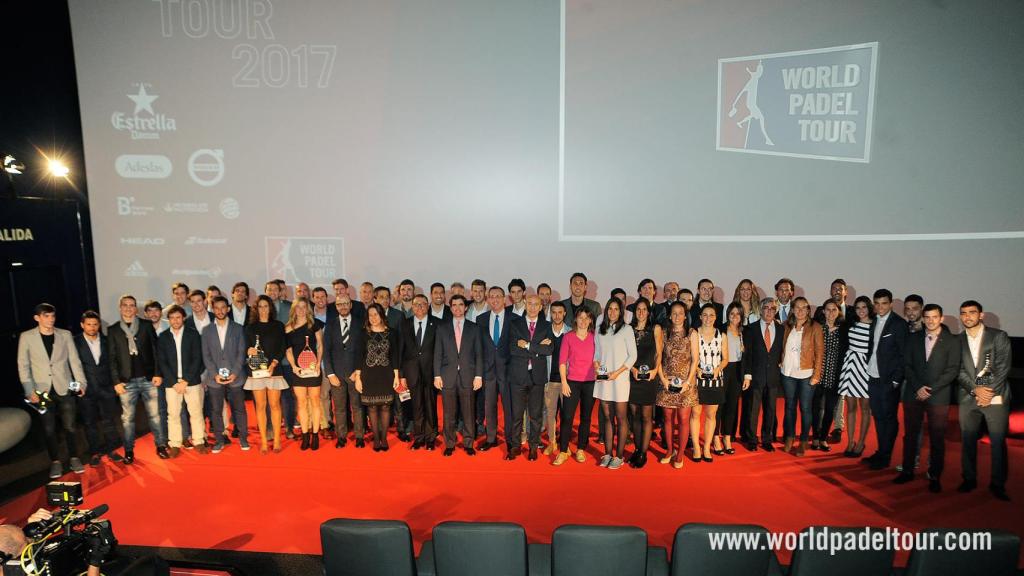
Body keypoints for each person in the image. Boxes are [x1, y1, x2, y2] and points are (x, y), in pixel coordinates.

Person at [17, 303, 89, 477]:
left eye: (52, 316)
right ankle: (55, 461)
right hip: (40, 391)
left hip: (66, 387)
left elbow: (74, 361)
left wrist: (81, 383)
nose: (50, 319)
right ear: (37, 318)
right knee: (49, 429)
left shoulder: (64, 334)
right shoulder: (26, 337)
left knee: (71, 426)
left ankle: (74, 458)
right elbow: (23, 365)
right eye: (46, 316)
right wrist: (29, 390)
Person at [894, 303, 959, 492]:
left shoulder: (952, 341)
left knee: (937, 437)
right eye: (927, 317)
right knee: (911, 435)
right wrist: (917, 387)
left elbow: (953, 369)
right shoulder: (913, 339)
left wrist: (930, 389)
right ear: (923, 318)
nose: (930, 321)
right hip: (913, 394)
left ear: (941, 318)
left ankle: (935, 475)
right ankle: (907, 471)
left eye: (934, 317)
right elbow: (907, 365)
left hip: (938, 396)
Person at [956, 300, 1012, 501]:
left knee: (997, 442)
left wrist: (988, 392)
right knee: (967, 441)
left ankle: (998, 484)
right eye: (963, 313)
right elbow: (959, 370)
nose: (967, 317)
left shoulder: (998, 336)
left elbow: (1003, 366)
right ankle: (969, 479)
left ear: (981, 315)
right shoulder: (958, 340)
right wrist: (975, 390)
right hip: (968, 397)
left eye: (972, 312)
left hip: (995, 397)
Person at [107, 295, 166, 464]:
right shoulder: (113, 330)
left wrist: (158, 373)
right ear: (120, 308)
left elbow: (156, 352)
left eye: (131, 305)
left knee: (155, 416)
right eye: (124, 305)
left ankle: (160, 446)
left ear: (136, 309)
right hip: (126, 382)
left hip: (148, 379)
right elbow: (111, 359)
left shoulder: (146, 325)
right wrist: (116, 381)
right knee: (128, 419)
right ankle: (129, 450)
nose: (128, 308)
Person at [863, 289, 908, 471]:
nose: (880, 307)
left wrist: (896, 381)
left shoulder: (899, 324)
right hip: (873, 376)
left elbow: (903, 355)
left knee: (889, 418)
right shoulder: (875, 321)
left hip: (889, 380)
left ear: (890, 304)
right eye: (877, 303)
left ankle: (886, 455)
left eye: (884, 303)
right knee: (879, 417)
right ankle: (881, 451)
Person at [433, 295, 484, 456]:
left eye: (460, 305)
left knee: (469, 412)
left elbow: (479, 354)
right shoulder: (442, 328)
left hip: (468, 376)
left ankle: (468, 443)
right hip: (447, 376)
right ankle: (449, 443)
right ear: (450, 307)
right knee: (448, 413)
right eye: (454, 305)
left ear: (466, 307)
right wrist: (436, 375)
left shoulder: (474, 328)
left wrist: (478, 376)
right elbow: (437, 354)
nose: (457, 308)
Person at [507, 295, 554, 461]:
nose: (533, 307)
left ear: (541, 307)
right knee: (517, 415)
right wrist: (537, 348)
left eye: (536, 304)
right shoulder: (514, 324)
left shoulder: (547, 326)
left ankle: (533, 446)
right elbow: (512, 348)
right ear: (525, 305)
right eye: (530, 304)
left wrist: (527, 345)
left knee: (535, 415)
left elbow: (549, 350)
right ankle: (515, 446)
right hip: (518, 376)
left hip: (537, 377)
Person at [155, 305, 205, 457]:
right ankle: (175, 444)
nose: (175, 320)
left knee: (196, 412)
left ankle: (199, 441)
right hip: (172, 383)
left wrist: (185, 381)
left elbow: (197, 359)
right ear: (168, 319)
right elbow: (161, 362)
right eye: (172, 318)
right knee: (173, 414)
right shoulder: (163, 337)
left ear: (183, 318)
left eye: (178, 317)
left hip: (191, 381)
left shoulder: (193, 334)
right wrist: (175, 382)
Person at [74, 311, 123, 465]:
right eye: (89, 324)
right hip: (85, 391)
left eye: (95, 324)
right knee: (90, 423)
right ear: (82, 325)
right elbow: (69, 367)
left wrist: (116, 383)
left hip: (107, 388)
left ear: (99, 325)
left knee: (109, 421)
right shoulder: (74, 342)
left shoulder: (107, 341)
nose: (92, 327)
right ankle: (95, 452)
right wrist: (75, 388)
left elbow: (114, 363)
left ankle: (111, 450)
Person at [202, 296, 250, 453]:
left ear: (228, 309)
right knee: (216, 410)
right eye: (217, 308)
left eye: (223, 307)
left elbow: (241, 352)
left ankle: (243, 438)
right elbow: (206, 355)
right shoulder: (207, 330)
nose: (220, 311)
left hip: (235, 378)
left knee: (239, 409)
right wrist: (214, 374)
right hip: (215, 378)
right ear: (213, 309)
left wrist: (235, 373)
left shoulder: (238, 328)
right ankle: (219, 440)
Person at [593, 298, 636, 470]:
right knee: (607, 418)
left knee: (621, 417)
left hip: (619, 380)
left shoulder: (626, 329)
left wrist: (616, 373)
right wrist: (596, 365)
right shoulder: (599, 329)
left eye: (616, 309)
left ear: (621, 311)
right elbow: (596, 353)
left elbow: (632, 356)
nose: (612, 312)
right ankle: (608, 453)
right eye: (609, 309)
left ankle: (619, 455)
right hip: (604, 380)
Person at [553, 307, 598, 466]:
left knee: (586, 418)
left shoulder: (595, 338)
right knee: (566, 418)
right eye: (581, 317)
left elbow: (598, 360)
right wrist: (564, 382)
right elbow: (562, 362)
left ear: (591, 320)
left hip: (590, 383)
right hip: (571, 382)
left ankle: (580, 449)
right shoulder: (568, 337)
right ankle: (563, 451)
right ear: (576, 319)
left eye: (587, 318)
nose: (584, 321)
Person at [353, 304, 401, 452]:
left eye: (376, 314)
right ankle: (376, 438)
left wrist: (396, 376)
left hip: (386, 374)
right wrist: (358, 378)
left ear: (381, 315)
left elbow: (395, 356)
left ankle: (384, 438)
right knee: (372, 407)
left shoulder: (391, 333)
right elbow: (359, 357)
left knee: (386, 406)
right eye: (370, 315)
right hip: (368, 375)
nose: (373, 318)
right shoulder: (363, 334)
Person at [779, 297, 823, 456]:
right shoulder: (786, 326)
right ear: (792, 309)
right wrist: (780, 361)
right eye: (797, 307)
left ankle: (804, 440)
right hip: (788, 373)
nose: (800, 310)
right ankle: (790, 437)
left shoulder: (815, 327)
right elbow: (781, 346)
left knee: (805, 408)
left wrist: (817, 374)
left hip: (807, 374)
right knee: (790, 407)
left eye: (804, 307)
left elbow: (819, 353)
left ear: (808, 310)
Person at [245, 295, 288, 454]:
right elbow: (246, 347)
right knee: (261, 406)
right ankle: (264, 440)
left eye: (266, 306)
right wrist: (248, 350)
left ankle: (277, 439)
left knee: (275, 405)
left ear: (271, 308)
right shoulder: (250, 328)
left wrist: (274, 363)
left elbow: (282, 347)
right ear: (256, 309)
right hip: (256, 371)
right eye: (260, 306)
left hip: (274, 370)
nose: (263, 309)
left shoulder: (278, 326)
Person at [656, 302, 697, 468]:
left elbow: (695, 359)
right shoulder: (663, 333)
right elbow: (658, 358)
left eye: (681, 313)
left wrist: (688, 381)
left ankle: (680, 453)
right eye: (674, 313)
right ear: (669, 315)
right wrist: (663, 379)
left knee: (684, 419)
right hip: (666, 383)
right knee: (667, 418)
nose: (677, 316)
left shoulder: (692, 333)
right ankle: (669, 450)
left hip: (686, 385)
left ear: (685, 315)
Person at [741, 298, 783, 452]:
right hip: (755, 377)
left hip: (773, 377)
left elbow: (781, 352)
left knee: (770, 410)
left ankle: (767, 439)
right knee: (753, 410)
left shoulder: (781, 329)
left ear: (776, 310)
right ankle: (752, 440)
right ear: (760, 309)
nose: (769, 311)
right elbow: (747, 355)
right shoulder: (750, 329)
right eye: (766, 308)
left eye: (773, 308)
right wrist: (748, 375)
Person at [324, 294, 366, 448]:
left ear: (351, 305)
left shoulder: (361, 323)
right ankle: (341, 436)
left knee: (357, 407)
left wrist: (359, 371)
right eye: (339, 304)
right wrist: (330, 374)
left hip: (355, 374)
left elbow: (364, 350)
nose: (343, 306)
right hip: (337, 375)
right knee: (340, 408)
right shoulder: (330, 325)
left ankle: (360, 436)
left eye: (346, 303)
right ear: (336, 306)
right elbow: (326, 352)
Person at [399, 294, 439, 450]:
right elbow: (400, 351)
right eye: (416, 304)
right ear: (412, 307)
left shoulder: (436, 324)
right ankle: (419, 437)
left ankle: (430, 438)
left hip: (431, 372)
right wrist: (402, 375)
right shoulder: (405, 325)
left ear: (428, 306)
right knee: (416, 406)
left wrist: (438, 373)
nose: (420, 307)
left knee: (430, 405)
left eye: (423, 304)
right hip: (411, 372)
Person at [284, 297, 324, 450]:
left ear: (308, 308)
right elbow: (288, 350)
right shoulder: (288, 328)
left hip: (314, 369)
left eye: (303, 306)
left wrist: (318, 364)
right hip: (298, 371)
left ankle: (315, 435)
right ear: (294, 309)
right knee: (301, 403)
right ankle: (305, 435)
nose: (301, 309)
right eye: (298, 307)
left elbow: (320, 346)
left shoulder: (314, 325)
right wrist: (294, 366)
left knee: (314, 401)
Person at [691, 303, 729, 462]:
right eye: (705, 315)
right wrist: (698, 370)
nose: (708, 318)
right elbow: (691, 357)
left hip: (715, 381)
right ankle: (696, 447)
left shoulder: (722, 335)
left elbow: (726, 359)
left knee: (711, 415)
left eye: (711, 315)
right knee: (695, 414)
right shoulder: (693, 333)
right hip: (697, 381)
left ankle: (706, 447)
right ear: (700, 317)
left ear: (716, 317)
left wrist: (717, 368)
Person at [627, 297, 662, 468]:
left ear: (649, 312)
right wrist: (632, 368)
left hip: (648, 378)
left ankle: (643, 453)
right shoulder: (629, 329)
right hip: (632, 377)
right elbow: (625, 352)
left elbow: (659, 353)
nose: (641, 312)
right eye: (638, 309)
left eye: (644, 309)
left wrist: (655, 371)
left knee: (647, 416)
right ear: (635, 312)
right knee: (634, 415)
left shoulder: (655, 328)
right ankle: (636, 449)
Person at [838, 296, 874, 457]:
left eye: (864, 307)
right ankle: (850, 441)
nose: (861, 310)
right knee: (851, 407)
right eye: (858, 307)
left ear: (869, 308)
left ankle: (861, 442)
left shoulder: (875, 326)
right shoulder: (850, 323)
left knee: (865, 408)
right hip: (851, 366)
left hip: (866, 369)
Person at [477, 286, 512, 453]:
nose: (495, 299)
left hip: (507, 371)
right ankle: (491, 439)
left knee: (508, 407)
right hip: (488, 371)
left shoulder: (514, 319)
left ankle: (511, 439)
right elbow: (478, 348)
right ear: (488, 299)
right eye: (491, 296)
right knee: (489, 406)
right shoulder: (481, 319)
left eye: (498, 296)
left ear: (504, 299)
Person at [810, 300, 848, 452]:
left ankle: (824, 438)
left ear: (839, 312)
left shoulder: (843, 330)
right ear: (823, 311)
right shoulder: (817, 328)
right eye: (828, 309)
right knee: (816, 409)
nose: (831, 313)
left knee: (830, 409)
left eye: (834, 310)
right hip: (817, 374)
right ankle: (816, 438)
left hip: (835, 376)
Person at [715, 303, 744, 455]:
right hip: (723, 369)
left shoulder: (743, 332)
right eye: (731, 313)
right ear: (727, 314)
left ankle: (727, 437)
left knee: (732, 407)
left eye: (737, 314)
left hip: (737, 371)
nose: (734, 316)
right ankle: (715, 437)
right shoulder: (720, 330)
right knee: (719, 406)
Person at [543, 301, 570, 455]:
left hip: (566, 381)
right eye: (554, 312)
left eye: (560, 312)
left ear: (564, 313)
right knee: (551, 414)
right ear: (550, 313)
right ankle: (552, 442)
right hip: (550, 380)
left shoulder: (570, 332)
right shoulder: (544, 332)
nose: (557, 315)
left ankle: (564, 445)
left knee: (566, 414)